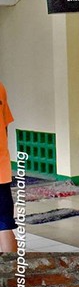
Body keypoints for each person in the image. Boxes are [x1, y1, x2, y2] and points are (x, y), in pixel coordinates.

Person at [0, 80, 17, 253]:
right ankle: (12, 276)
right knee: (4, 224)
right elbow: (5, 127)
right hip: (1, 169)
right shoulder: (0, 87)